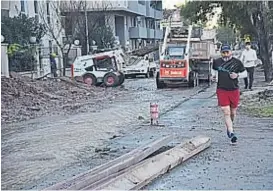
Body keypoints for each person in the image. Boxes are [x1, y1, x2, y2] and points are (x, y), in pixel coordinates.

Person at [211, 45, 247, 144]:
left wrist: (237, 75)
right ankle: (231, 132)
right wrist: (213, 76)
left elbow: (245, 74)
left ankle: (229, 126)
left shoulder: (237, 62)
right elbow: (213, 70)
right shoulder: (217, 62)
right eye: (223, 52)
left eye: (227, 52)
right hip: (221, 89)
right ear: (221, 53)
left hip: (234, 90)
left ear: (231, 52)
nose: (225, 54)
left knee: (232, 113)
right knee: (226, 111)